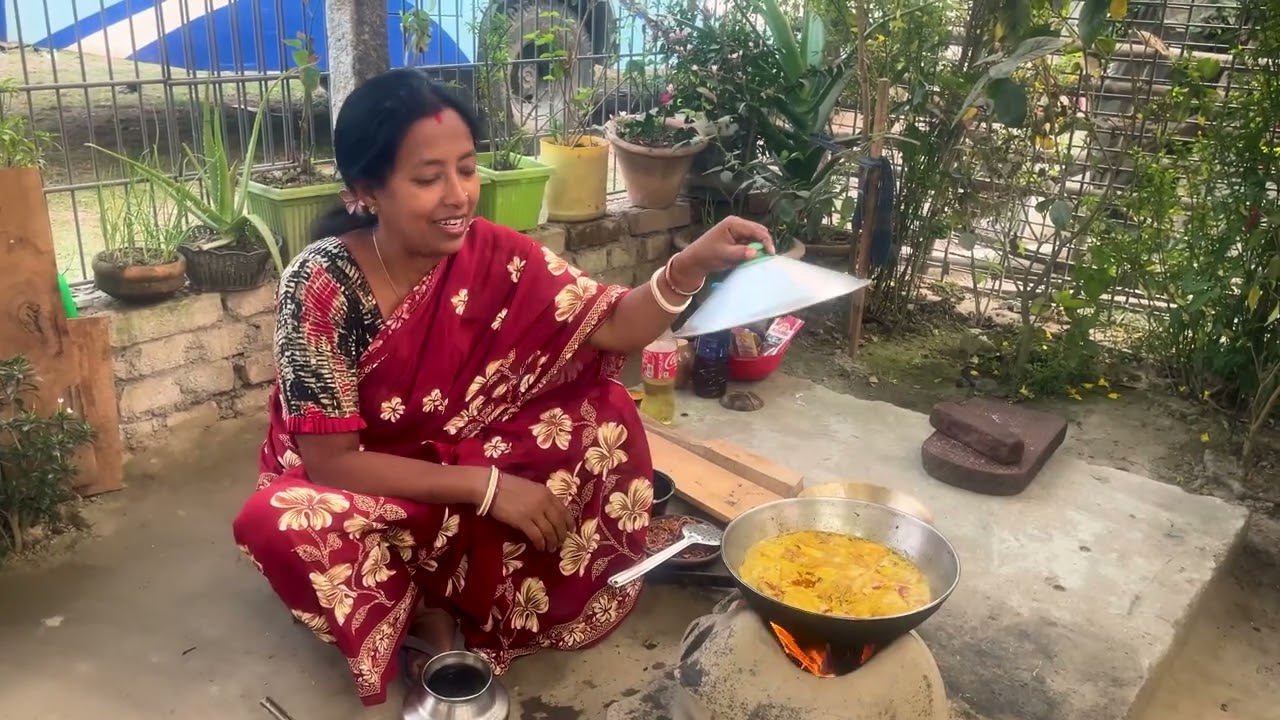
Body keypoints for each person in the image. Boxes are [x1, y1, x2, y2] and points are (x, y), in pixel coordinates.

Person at [231, 68, 774, 707]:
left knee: (601, 417)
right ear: (365, 190)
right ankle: (420, 617)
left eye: (467, 168)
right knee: (282, 524)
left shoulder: (495, 253)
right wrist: (490, 488)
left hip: (462, 451)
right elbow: (331, 461)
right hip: (367, 481)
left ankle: (472, 599)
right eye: (429, 179)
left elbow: (613, 326)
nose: (460, 195)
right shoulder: (319, 287)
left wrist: (689, 266)